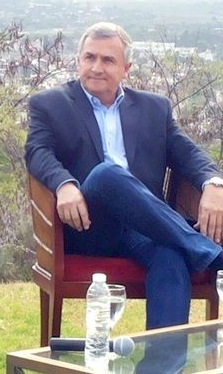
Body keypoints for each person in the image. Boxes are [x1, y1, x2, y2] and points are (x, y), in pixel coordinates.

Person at [25, 21, 223, 329]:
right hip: (87, 227)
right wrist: (63, 184)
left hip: (146, 227)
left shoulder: (154, 108)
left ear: (126, 69)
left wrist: (213, 183)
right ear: (78, 61)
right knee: (106, 175)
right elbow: (37, 152)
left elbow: (188, 153)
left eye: (107, 60)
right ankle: (211, 254)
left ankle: (162, 356)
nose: (96, 67)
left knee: (170, 258)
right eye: (90, 57)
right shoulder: (50, 104)